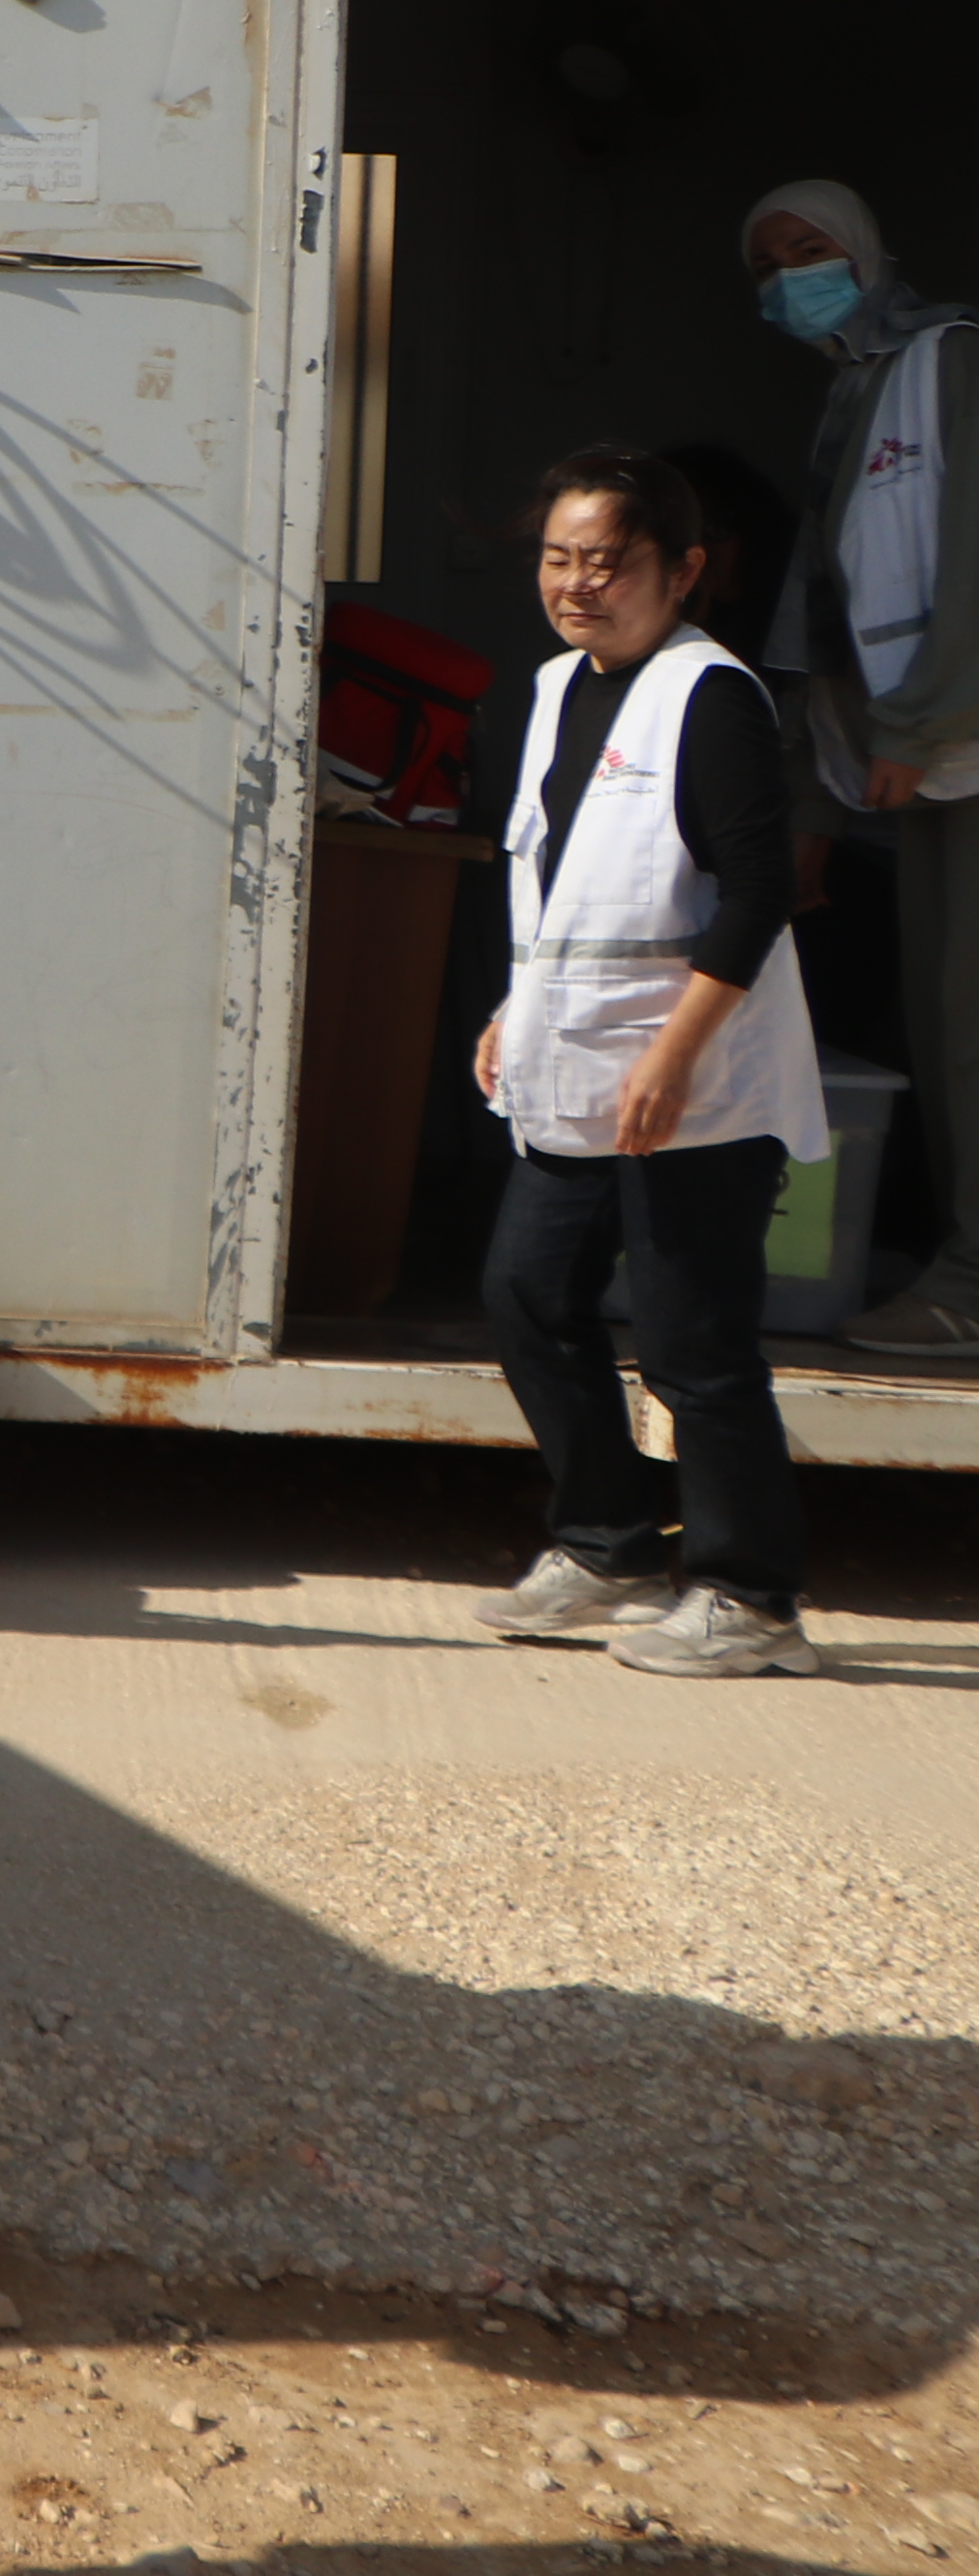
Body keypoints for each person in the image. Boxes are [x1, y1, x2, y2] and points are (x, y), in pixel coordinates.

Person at [468, 442, 829, 1677]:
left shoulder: (710, 695)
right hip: (576, 1067)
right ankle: (612, 1540)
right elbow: (558, 877)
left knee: (693, 1344)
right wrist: (515, 1008)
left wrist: (676, 1057)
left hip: (699, 1080)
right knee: (526, 1294)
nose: (578, 583)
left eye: (608, 561)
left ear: (681, 571)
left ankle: (751, 1598)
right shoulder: (558, 685)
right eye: (560, 558)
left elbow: (758, 893)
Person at [742, 180, 979, 1361]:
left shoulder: (948, 362)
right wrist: (822, 788)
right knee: (940, 1027)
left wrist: (916, 726)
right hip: (915, 766)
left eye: (814, 248)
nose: (792, 274)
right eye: (771, 262)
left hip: (950, 751)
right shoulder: (855, 391)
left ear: (872, 251)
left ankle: (971, 1288)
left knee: (966, 1023)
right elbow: (829, 611)